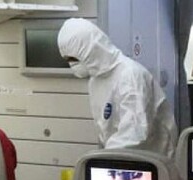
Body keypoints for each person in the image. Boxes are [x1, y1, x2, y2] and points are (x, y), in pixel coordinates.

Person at [58, 18, 177, 157]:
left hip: (152, 159)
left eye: (73, 59)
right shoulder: (95, 81)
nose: (71, 65)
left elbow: (135, 132)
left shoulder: (130, 75)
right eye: (67, 60)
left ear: (90, 50)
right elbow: (106, 130)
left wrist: (102, 158)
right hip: (121, 157)